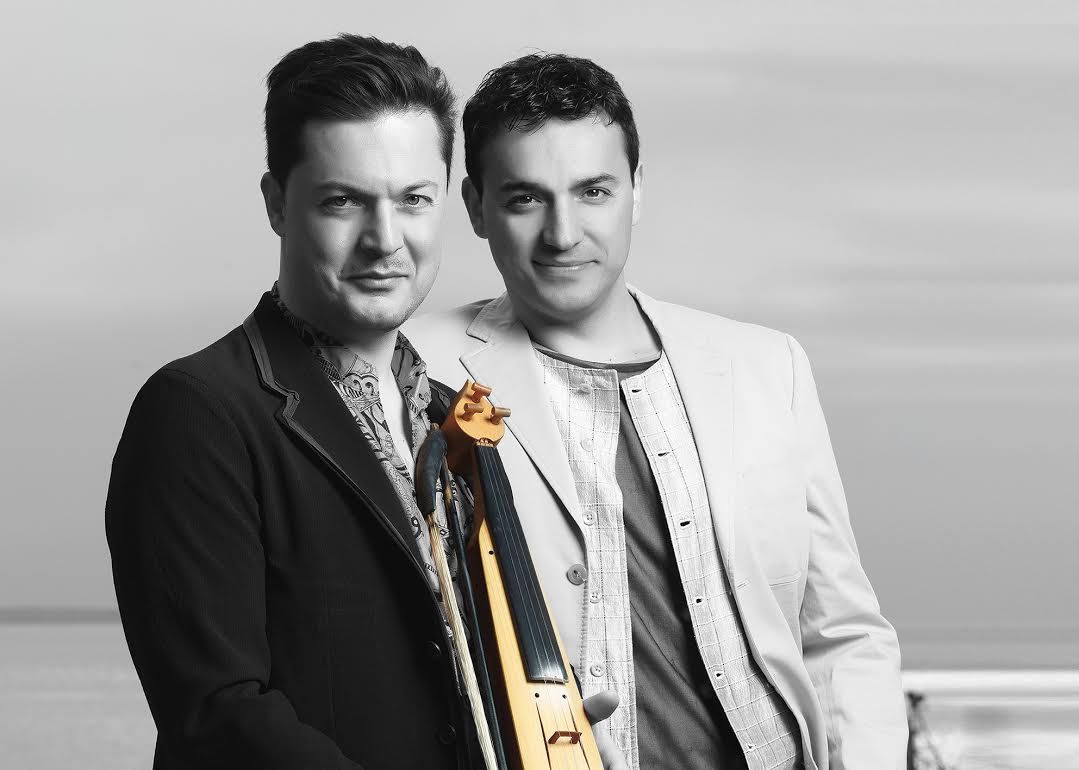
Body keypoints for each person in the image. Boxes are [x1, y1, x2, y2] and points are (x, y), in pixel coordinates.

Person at [405, 53, 909, 769]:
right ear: (477, 207)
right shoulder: (414, 368)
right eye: (525, 199)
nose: (563, 233)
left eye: (594, 192)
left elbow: (842, 631)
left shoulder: (765, 367)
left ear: (636, 191)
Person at [106, 34, 473, 768]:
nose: (384, 240)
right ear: (277, 204)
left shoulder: (451, 416)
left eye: (413, 200)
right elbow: (218, 715)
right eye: (344, 201)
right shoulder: (195, 412)